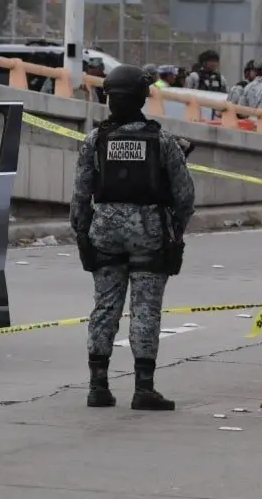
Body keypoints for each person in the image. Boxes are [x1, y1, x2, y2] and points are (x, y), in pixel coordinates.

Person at [70, 64, 196, 411]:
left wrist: (82, 234)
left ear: (109, 97)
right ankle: (143, 388)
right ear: (142, 97)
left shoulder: (96, 140)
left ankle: (98, 386)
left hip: (105, 232)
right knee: (145, 309)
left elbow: (80, 196)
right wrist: (175, 230)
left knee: (105, 306)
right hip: (150, 234)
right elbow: (185, 196)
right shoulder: (163, 141)